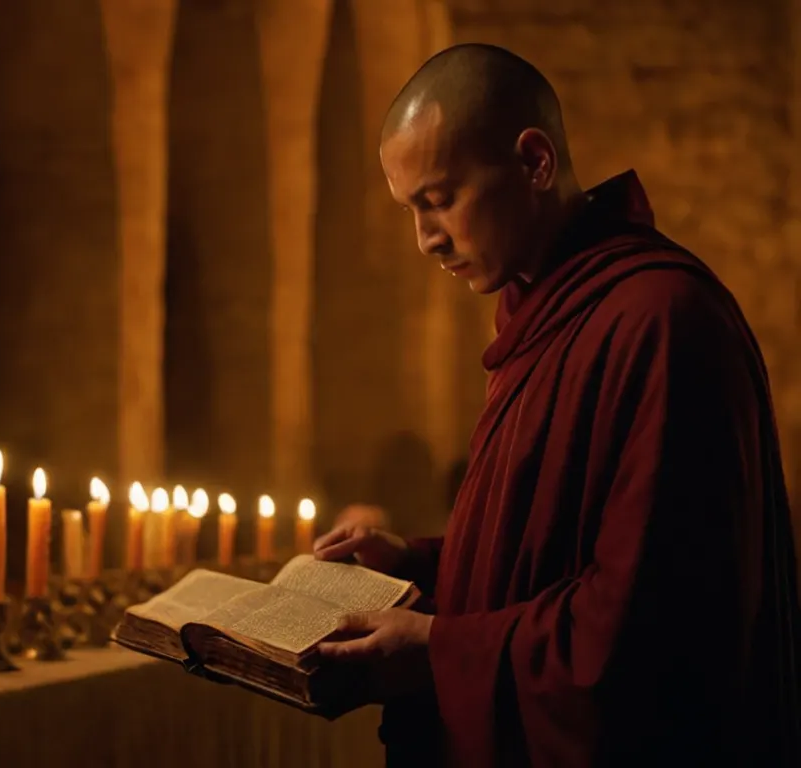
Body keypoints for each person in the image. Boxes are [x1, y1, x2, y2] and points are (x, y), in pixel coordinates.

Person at [313, 43, 801, 767]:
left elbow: (651, 626)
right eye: (410, 209)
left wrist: (438, 650)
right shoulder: (540, 311)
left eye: (439, 199)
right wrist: (418, 567)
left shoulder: (658, 320)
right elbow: (548, 552)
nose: (425, 239)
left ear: (534, 163)